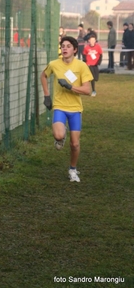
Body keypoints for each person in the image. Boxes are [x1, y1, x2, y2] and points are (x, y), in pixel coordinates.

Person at [40, 36, 93, 183]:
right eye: (63, 46)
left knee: (75, 144)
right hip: (59, 106)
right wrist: (46, 96)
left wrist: (70, 87)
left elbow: (87, 90)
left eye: (68, 46)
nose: (64, 48)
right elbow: (43, 76)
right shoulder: (54, 64)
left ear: (75, 50)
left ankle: (72, 169)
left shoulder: (81, 66)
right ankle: (61, 137)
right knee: (58, 135)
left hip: (75, 109)